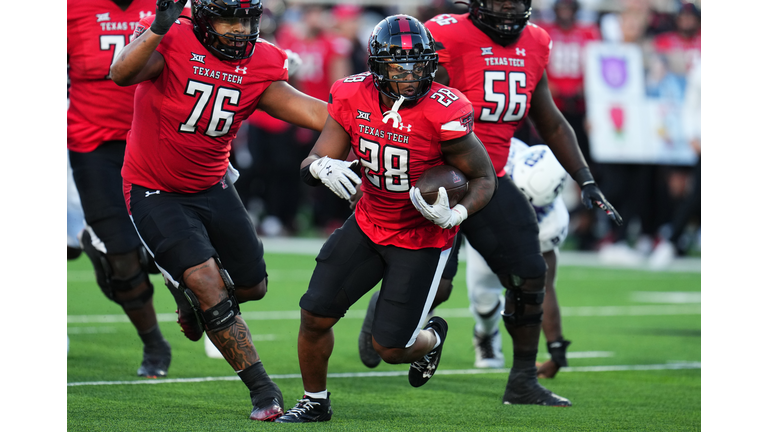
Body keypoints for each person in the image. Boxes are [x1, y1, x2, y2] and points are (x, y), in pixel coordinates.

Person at [109, 0, 328, 422]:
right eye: (229, 19)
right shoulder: (174, 36)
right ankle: (263, 389)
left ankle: (186, 296)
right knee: (207, 281)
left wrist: (373, 124)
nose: (240, 29)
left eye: (247, 19)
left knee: (253, 286)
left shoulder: (262, 59)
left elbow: (314, 112)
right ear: (205, 18)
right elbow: (121, 73)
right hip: (155, 186)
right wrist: (157, 27)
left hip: (212, 184)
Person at [274, 14, 497, 423]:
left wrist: (457, 214)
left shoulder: (444, 110)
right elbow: (313, 159)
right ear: (377, 66)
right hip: (367, 223)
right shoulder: (350, 93)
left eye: (418, 65)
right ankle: (315, 401)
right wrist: (321, 167)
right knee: (315, 313)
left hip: (420, 237)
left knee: (391, 349)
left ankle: (431, 339)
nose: (411, 77)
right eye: (399, 67)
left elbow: (484, 178)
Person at [401, 0, 620, 407]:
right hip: (441, 179)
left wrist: (585, 178)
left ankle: (522, 380)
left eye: (516, 0)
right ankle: (383, 324)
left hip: (492, 179)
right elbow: (408, 104)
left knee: (530, 274)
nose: (508, 7)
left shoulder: (535, 41)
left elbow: (550, 119)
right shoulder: (446, 33)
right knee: (437, 286)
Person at [67, 0, 174, 379]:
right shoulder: (70, 10)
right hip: (93, 144)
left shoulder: (169, 6)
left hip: (157, 140)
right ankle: (154, 343)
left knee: (174, 245)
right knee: (122, 257)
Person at [464, 139, 572, 377]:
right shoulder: (504, 151)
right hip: (482, 220)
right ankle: (483, 331)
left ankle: (487, 335)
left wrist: (556, 347)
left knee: (497, 298)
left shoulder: (551, 224)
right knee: (478, 297)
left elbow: (544, 286)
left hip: (513, 240)